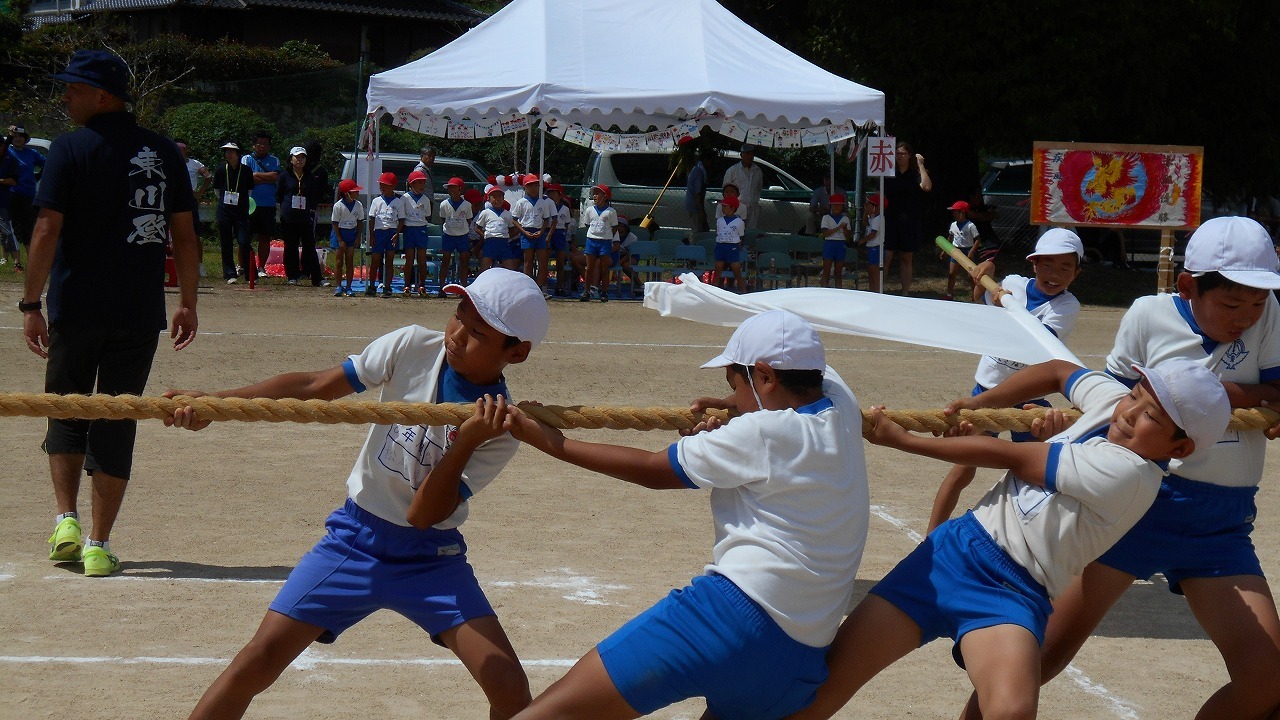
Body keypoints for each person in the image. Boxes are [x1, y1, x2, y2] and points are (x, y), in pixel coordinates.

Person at [166, 267, 549, 720]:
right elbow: (315, 386)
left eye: (478, 333)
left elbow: (423, 515)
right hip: (354, 541)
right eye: (458, 316)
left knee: (509, 688)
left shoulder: (503, 429)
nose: (458, 334)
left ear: (517, 353)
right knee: (257, 661)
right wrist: (220, 404)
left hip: (432, 558)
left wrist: (466, 439)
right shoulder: (411, 345)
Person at [961, 215, 1280, 720]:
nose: (1247, 317)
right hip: (1136, 505)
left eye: (1258, 303)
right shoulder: (1149, 315)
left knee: (1268, 680)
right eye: (1233, 304)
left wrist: (1259, 399)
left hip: (1221, 523)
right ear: (1188, 286)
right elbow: (1111, 403)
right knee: (1038, 659)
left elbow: (1275, 390)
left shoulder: (1269, 315)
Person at [790, 357, 1230, 720]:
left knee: (1010, 712)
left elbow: (1011, 456)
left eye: (1151, 415)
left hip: (1014, 590)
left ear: (1180, 449)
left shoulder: (1133, 475)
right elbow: (1059, 370)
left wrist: (903, 440)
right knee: (822, 687)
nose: (1130, 412)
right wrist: (984, 402)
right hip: (957, 551)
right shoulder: (1113, 403)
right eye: (1135, 394)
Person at [502, 310, 870, 720]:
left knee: (549, 715)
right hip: (798, 660)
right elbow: (802, 377)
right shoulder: (842, 401)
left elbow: (652, 470)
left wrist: (553, 442)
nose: (735, 397)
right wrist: (736, 402)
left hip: (727, 618)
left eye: (735, 383)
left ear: (765, 377)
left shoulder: (761, 433)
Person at [24, 49, 200, 578]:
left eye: (73, 89)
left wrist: (31, 304)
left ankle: (66, 519)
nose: (65, 97)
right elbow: (185, 235)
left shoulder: (69, 149)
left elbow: (47, 229)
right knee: (118, 417)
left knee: (66, 407)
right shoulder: (163, 151)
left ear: (102, 95)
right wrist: (187, 301)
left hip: (77, 306)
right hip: (138, 310)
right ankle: (99, 544)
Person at [928, 229, 1084, 532]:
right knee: (964, 466)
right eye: (1048, 265)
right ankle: (931, 535)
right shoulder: (1012, 285)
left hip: (1028, 397)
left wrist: (1010, 307)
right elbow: (980, 298)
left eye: (1065, 268)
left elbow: (1037, 338)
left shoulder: (1066, 306)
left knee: (1035, 471)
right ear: (1034, 264)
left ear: (1076, 273)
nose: (1055, 274)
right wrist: (984, 277)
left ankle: (1030, 535)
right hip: (987, 390)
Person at [882, 141, 932, 296]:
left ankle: (905, 292)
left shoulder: (916, 173)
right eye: (897, 153)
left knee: (906, 257)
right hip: (891, 218)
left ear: (909, 155)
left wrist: (921, 165)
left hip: (910, 220)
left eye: (903, 153)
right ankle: (880, 289)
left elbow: (927, 186)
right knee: (886, 255)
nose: (899, 156)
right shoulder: (889, 172)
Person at [275, 146, 324, 286]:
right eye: (297, 157)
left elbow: (313, 195)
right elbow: (279, 194)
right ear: (291, 159)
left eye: (303, 157)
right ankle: (292, 275)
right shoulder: (284, 176)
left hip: (304, 216)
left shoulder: (310, 176)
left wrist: (311, 210)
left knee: (309, 245)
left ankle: (317, 278)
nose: (300, 160)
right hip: (289, 216)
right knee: (291, 246)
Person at [211, 141, 254, 284]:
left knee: (244, 241)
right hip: (225, 211)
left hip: (241, 211)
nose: (228, 154)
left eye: (231, 151)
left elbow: (249, 190)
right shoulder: (221, 170)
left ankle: (249, 273)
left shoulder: (246, 170)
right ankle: (229, 273)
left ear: (238, 153)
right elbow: (217, 190)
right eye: (226, 151)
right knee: (226, 242)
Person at [7, 125, 46, 270]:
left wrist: (37, 176)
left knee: (29, 227)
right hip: (11, 193)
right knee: (12, 227)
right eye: (15, 136)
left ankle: (32, 261)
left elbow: (47, 163)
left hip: (28, 194)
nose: (18, 139)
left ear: (24, 139)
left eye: (20, 137)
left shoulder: (32, 153)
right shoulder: (7, 152)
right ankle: (16, 262)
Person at [243, 130, 280, 277]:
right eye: (259, 144)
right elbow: (247, 178)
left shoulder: (274, 160)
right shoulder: (246, 159)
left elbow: (275, 176)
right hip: (250, 203)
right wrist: (266, 177)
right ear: (254, 145)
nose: (262, 147)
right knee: (245, 237)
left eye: (265, 144)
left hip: (268, 204)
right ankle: (243, 265)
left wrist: (256, 175)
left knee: (265, 237)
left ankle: (261, 267)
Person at [365, 171, 404, 298]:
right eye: (381, 185)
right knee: (375, 259)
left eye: (385, 185)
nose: (382, 187)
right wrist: (371, 235)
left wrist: (397, 233)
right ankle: (372, 286)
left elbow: (401, 220)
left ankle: (387, 287)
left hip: (391, 232)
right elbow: (372, 218)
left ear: (392, 186)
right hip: (379, 232)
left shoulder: (398, 202)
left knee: (389, 260)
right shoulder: (377, 201)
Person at [513, 174, 553, 292]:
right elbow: (514, 219)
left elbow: (546, 219)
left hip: (540, 233)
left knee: (542, 261)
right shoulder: (521, 202)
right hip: (527, 232)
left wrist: (541, 231)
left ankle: (541, 287)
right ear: (525, 187)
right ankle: (527, 288)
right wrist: (524, 232)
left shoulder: (543, 202)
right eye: (530, 186)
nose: (533, 189)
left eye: (536, 185)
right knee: (528, 262)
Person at [437, 176, 473, 295]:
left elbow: (469, 219)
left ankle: (463, 287)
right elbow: (442, 219)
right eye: (449, 188)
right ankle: (442, 287)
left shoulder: (467, 205)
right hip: (448, 234)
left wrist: (461, 228)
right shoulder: (444, 204)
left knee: (464, 261)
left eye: (454, 188)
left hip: (462, 235)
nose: (451, 191)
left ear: (461, 190)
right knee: (445, 260)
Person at [580, 184, 616, 302]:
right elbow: (587, 224)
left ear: (605, 196)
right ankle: (586, 291)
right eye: (594, 194)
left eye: (598, 193)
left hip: (605, 242)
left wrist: (607, 236)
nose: (595, 196)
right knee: (589, 267)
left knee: (604, 268)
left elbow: (614, 227)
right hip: (591, 240)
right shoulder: (589, 210)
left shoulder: (611, 212)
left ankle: (604, 292)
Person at [328, 178, 364, 297]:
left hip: (351, 233)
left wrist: (358, 237)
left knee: (350, 261)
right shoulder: (338, 206)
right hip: (339, 233)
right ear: (347, 193)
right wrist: (339, 239)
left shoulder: (358, 205)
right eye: (355, 191)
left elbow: (360, 221)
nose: (357, 193)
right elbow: (335, 223)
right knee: (339, 261)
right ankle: (338, 286)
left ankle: (349, 286)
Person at [401, 169, 433, 295]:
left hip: (421, 229)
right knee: (409, 259)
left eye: (423, 183)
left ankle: (422, 285)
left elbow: (427, 215)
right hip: (409, 229)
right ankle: (407, 285)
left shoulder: (425, 199)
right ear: (411, 184)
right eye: (418, 183)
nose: (421, 186)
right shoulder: (405, 198)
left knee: (422, 259)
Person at [942, 200, 981, 301]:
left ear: (962, 212)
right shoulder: (953, 225)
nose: (953, 214)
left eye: (955, 211)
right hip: (956, 251)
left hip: (967, 251)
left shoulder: (970, 226)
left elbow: (978, 240)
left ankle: (974, 295)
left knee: (971, 276)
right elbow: (950, 237)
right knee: (952, 274)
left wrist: (971, 251)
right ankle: (949, 294)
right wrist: (945, 250)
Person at [475, 185, 514, 275]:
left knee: (510, 268)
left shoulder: (507, 214)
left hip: (504, 243)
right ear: (489, 199)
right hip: (490, 242)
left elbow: (513, 228)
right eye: (494, 197)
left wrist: (507, 236)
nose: (497, 199)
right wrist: (484, 235)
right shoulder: (485, 212)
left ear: (503, 198)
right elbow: (477, 227)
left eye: (500, 197)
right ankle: (480, 286)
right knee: (485, 267)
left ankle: (510, 287)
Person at [723, 144, 764, 229]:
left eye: (751, 154)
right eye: (747, 154)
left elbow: (759, 188)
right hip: (737, 208)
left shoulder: (758, 171)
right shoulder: (732, 170)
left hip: (753, 209)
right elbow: (726, 191)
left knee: (751, 234)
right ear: (742, 155)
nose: (750, 156)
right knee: (736, 232)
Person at [714, 195, 747, 293]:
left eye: (725, 206)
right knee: (718, 270)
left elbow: (740, 236)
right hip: (720, 246)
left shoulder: (739, 222)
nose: (722, 209)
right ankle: (713, 292)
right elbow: (718, 233)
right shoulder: (719, 221)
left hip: (732, 247)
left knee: (737, 271)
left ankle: (744, 291)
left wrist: (737, 246)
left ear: (732, 208)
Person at [818, 193, 852, 288]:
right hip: (830, 243)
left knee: (838, 272)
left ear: (842, 206)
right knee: (826, 271)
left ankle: (838, 291)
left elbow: (848, 236)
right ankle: (824, 289)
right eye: (834, 205)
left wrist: (845, 229)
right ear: (831, 206)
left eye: (839, 205)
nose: (837, 207)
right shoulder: (826, 218)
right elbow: (825, 233)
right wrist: (838, 228)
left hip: (841, 244)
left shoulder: (845, 218)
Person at [546, 183, 574, 296]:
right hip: (548, 231)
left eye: (554, 193)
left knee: (560, 261)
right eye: (549, 193)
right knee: (544, 260)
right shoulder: (546, 206)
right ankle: (544, 286)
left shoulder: (565, 209)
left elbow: (566, 224)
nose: (551, 195)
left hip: (560, 233)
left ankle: (559, 286)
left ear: (560, 195)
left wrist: (562, 233)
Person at [0, 133, 20, 268]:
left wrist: (1, 181)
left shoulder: (10, 159)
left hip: (2, 201)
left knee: (7, 231)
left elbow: (14, 181)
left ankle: (17, 262)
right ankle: (4, 260)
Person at [859, 193, 884, 293]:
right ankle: (872, 290)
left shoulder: (879, 218)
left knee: (875, 272)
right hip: (871, 247)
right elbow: (864, 222)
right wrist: (866, 212)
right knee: (871, 271)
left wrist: (863, 240)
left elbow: (873, 233)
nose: (866, 206)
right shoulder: (872, 217)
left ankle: (877, 291)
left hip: (876, 248)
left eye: (868, 204)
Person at [609, 215, 637, 298]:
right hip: (616, 255)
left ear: (625, 227)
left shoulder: (632, 238)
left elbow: (629, 253)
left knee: (626, 266)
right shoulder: (611, 235)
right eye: (617, 225)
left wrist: (619, 263)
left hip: (631, 256)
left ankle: (639, 284)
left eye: (621, 226)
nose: (619, 228)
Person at [685, 148, 710, 233]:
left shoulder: (696, 169)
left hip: (694, 205)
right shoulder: (699, 172)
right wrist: (701, 211)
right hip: (695, 207)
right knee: (697, 231)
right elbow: (698, 194)